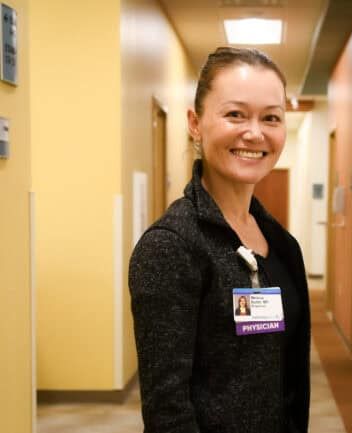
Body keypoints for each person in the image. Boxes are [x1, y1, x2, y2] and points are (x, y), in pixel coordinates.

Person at [129, 46, 310, 433]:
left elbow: (289, 378)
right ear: (195, 123)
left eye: (271, 118)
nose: (255, 133)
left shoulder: (281, 244)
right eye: (235, 114)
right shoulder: (172, 246)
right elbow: (167, 411)